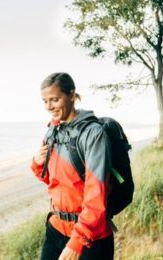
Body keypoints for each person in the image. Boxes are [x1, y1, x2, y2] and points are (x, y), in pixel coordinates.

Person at [32, 72, 114, 260]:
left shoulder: (93, 134)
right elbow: (55, 181)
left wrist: (78, 240)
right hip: (56, 228)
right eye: (45, 101)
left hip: (90, 234)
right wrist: (37, 163)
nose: (49, 107)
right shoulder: (52, 131)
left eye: (54, 100)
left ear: (71, 95)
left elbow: (97, 193)